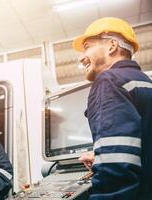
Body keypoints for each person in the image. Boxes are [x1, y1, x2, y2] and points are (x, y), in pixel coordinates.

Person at [73, 17, 152, 200]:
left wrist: (109, 158)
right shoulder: (144, 82)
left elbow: (117, 167)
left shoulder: (110, 81)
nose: (81, 57)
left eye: (87, 47)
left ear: (112, 46)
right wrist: (102, 155)